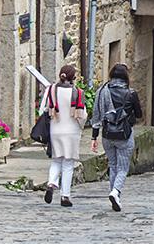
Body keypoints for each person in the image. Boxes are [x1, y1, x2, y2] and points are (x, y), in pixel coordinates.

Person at [91, 62, 142, 212]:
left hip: (107, 134)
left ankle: (115, 195)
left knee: (113, 165)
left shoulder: (102, 91)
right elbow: (139, 114)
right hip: (124, 135)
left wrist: (94, 137)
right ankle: (115, 192)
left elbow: (96, 115)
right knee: (123, 167)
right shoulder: (131, 93)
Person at [39, 64, 86, 207]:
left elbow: (43, 110)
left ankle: (52, 182)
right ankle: (65, 196)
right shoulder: (78, 92)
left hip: (56, 129)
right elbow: (82, 115)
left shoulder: (51, 90)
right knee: (68, 164)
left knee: (56, 160)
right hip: (72, 131)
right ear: (73, 78)